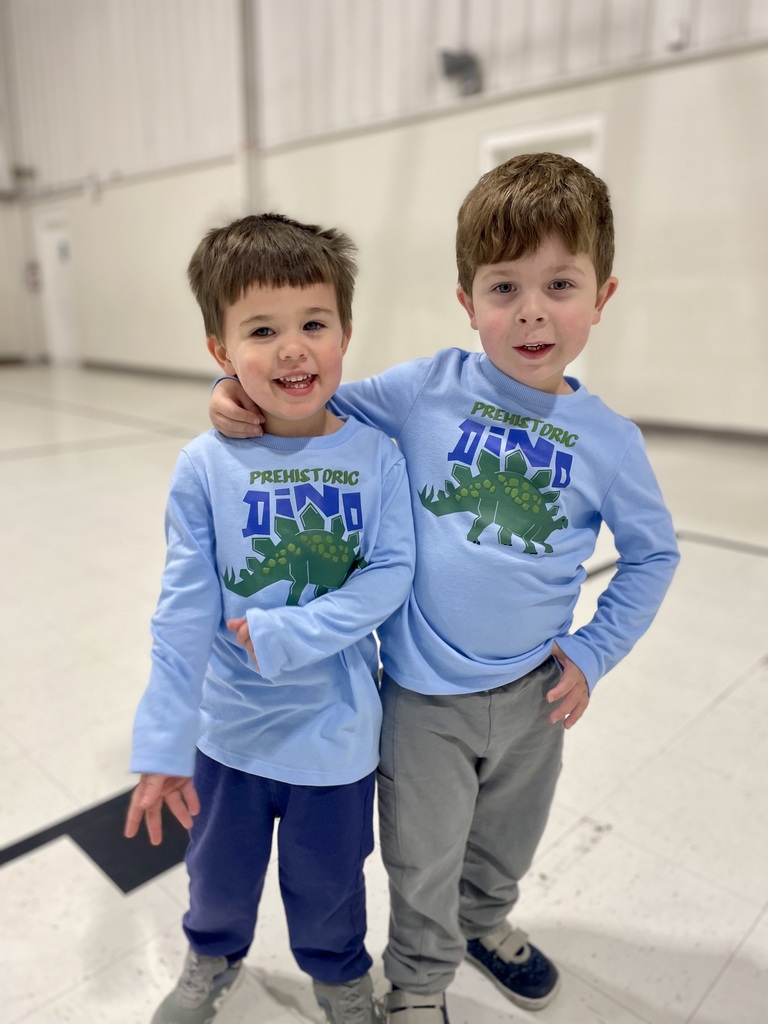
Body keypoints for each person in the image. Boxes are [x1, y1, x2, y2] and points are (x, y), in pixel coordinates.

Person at [208, 154, 680, 1024]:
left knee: (506, 840)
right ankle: (421, 981)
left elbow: (654, 556)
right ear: (468, 302)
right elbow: (309, 394)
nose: (532, 310)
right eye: (504, 288)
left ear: (602, 297)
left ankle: (487, 921)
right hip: (423, 699)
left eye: (560, 284)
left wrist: (594, 650)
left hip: (539, 690)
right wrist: (233, 397)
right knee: (420, 856)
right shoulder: (425, 389)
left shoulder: (610, 440)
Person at [125, 213, 416, 1024]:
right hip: (230, 736)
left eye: (313, 324)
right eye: (262, 330)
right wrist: (162, 741)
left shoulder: (376, 456)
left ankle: (337, 975)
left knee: (329, 884)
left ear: (346, 332)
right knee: (216, 876)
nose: (294, 349)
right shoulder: (205, 464)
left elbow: (392, 572)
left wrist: (296, 634)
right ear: (221, 352)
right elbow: (182, 610)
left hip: (337, 735)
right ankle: (211, 957)